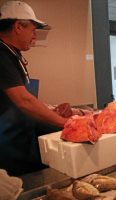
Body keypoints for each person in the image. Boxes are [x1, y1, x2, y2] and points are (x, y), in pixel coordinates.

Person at [0, 1, 68, 176]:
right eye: (32, 30)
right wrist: (67, 124)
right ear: (18, 27)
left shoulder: (12, 54)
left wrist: (50, 110)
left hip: (20, 137)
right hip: (8, 145)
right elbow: (23, 100)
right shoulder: (1, 53)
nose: (35, 36)